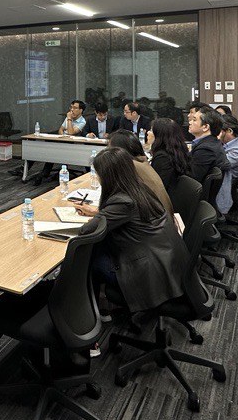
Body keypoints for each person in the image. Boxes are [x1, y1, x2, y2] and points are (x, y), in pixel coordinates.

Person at [74, 149, 188, 313]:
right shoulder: (139, 188)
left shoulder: (123, 201)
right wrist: (98, 213)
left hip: (148, 274)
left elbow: (86, 231)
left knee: (89, 259)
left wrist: (98, 216)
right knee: (101, 247)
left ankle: (90, 314)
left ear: (107, 176)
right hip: (164, 262)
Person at [107, 131, 174, 215]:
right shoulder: (141, 162)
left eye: (109, 148)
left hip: (155, 218)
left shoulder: (130, 166)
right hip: (159, 216)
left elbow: (121, 204)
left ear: (119, 151)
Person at [33, 99, 87, 184]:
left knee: (53, 150)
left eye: (75, 108)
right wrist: (63, 136)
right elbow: (60, 130)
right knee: (41, 147)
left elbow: (71, 132)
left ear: (81, 110)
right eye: (71, 107)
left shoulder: (82, 121)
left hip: (72, 147)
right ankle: (37, 171)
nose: (71, 110)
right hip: (61, 142)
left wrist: (69, 120)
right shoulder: (68, 117)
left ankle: (45, 173)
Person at [148, 118, 192, 192]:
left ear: (159, 136)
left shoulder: (162, 158)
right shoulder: (177, 151)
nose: (148, 132)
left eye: (151, 130)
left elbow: (157, 187)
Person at [188, 107, 229, 184]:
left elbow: (192, 179)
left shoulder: (206, 150)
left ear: (206, 127)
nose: (190, 122)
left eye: (194, 120)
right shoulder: (212, 142)